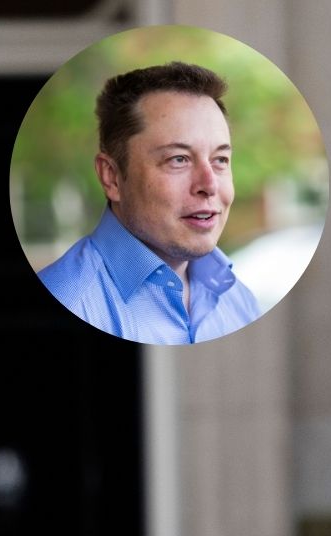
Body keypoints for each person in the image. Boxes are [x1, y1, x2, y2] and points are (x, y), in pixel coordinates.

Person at [38, 61, 261, 344]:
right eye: (178, 159)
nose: (209, 185)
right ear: (112, 178)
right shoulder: (69, 301)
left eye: (220, 160)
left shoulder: (240, 301)